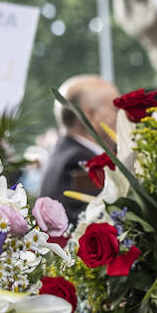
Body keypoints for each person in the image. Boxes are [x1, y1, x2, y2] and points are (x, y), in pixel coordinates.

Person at [39, 74, 119, 225]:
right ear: (91, 115)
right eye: (115, 109)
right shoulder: (78, 163)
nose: (121, 115)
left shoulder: (63, 155)